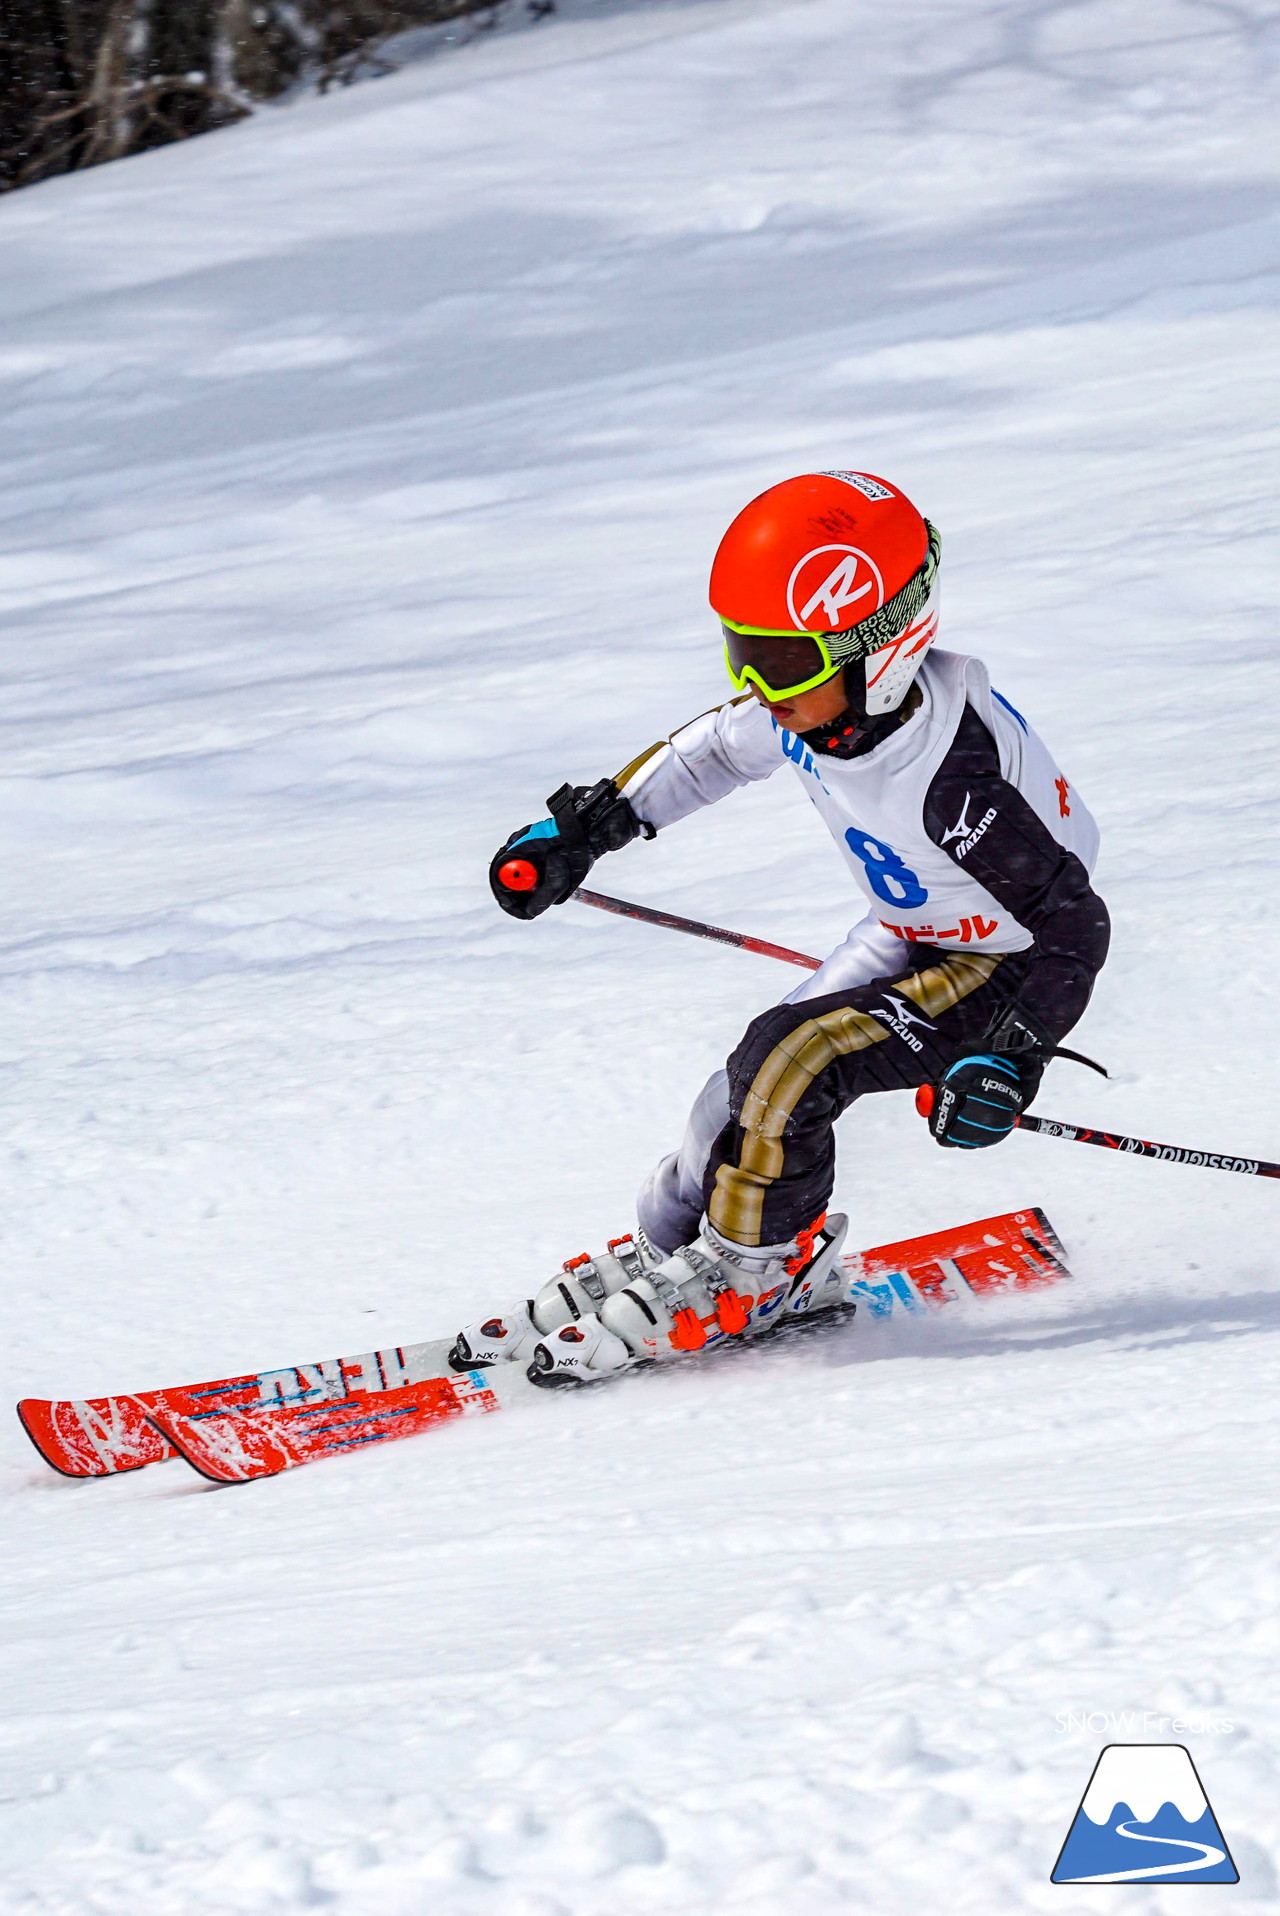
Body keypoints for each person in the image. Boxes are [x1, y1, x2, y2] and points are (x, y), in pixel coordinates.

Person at [454, 471, 1109, 1386]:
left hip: (1003, 964)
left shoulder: (955, 781)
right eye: (741, 654)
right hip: (910, 930)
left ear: (878, 649)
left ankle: (756, 1273)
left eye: (784, 662)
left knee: (793, 1059)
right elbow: (717, 750)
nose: (761, 688)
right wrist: (588, 829)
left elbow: (1072, 922)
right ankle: (673, 1253)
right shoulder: (822, 712)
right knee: (730, 1100)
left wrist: (1013, 1054)